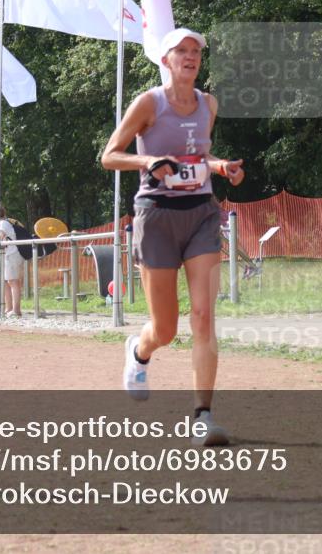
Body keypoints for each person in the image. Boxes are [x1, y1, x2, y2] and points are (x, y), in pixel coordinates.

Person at [101, 27, 244, 446]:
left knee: (203, 316)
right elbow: (109, 155)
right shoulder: (149, 103)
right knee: (165, 329)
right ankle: (140, 352)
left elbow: (200, 154)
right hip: (157, 216)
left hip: (201, 214)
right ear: (165, 60)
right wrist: (149, 161)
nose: (190, 56)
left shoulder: (208, 104)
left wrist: (220, 168)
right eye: (181, 51)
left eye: (196, 51)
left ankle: (203, 415)